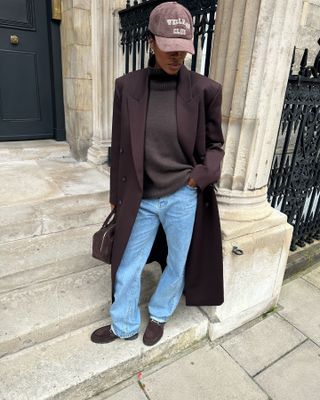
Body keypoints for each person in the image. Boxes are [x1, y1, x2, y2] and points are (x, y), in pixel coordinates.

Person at [91, 1, 224, 347]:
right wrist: (115, 194)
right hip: (141, 195)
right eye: (169, 48)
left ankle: (161, 313)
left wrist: (198, 178)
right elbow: (119, 145)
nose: (177, 56)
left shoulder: (205, 90)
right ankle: (124, 325)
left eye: (183, 49)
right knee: (127, 265)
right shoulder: (127, 87)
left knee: (178, 263)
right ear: (151, 42)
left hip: (183, 194)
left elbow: (215, 145)